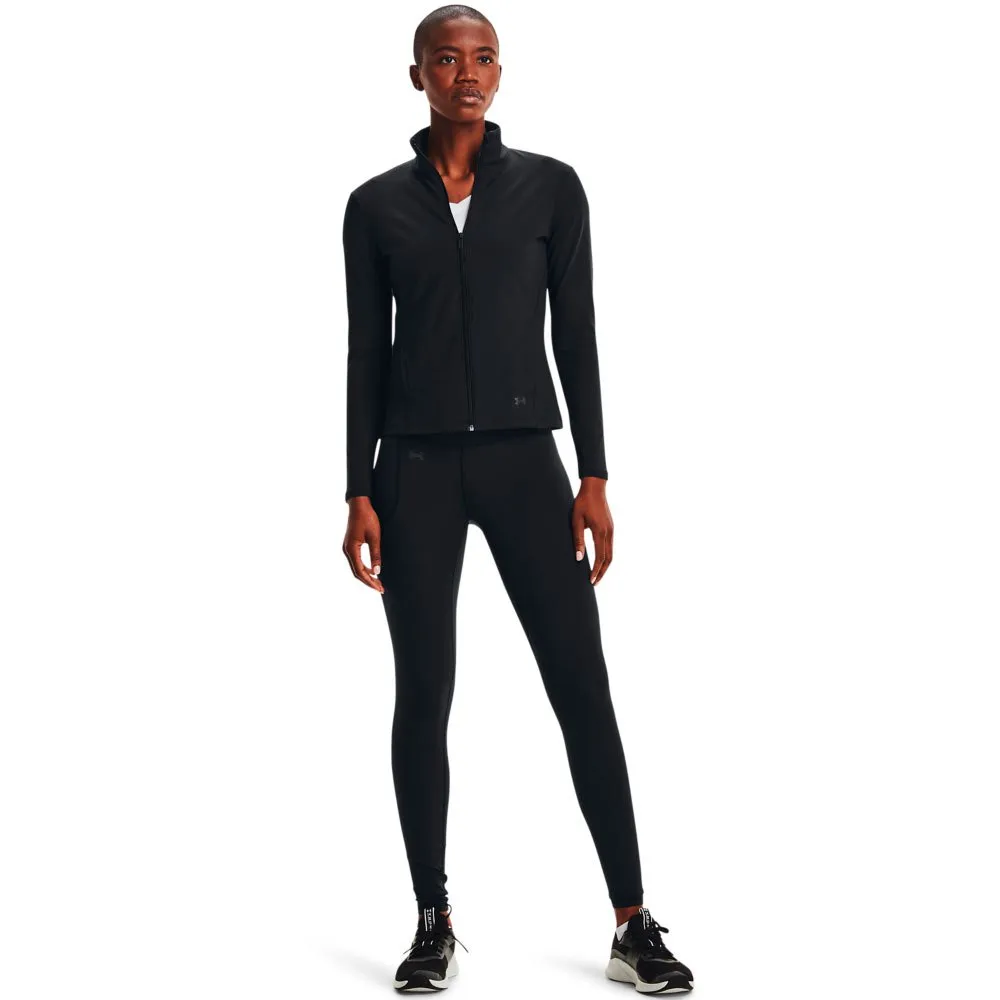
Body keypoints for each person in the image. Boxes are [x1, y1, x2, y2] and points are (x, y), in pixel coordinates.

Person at [341, 5, 695, 993]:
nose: (468, 72)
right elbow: (367, 349)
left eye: (484, 57)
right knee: (423, 693)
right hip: (413, 470)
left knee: (580, 683)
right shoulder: (375, 206)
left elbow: (575, 333)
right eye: (447, 59)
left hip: (524, 464)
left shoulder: (550, 188)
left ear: (500, 73)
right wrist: (356, 487)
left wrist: (595, 473)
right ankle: (432, 920)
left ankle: (632, 921)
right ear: (417, 74)